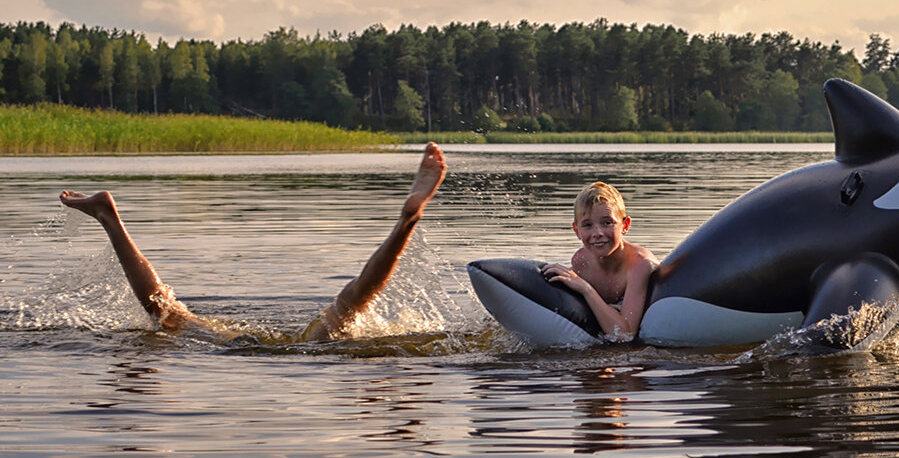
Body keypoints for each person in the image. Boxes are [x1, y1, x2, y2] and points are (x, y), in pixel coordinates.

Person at [58, 142, 447, 341]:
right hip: (306, 348)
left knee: (167, 314)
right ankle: (406, 224)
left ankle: (110, 220)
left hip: (238, 346)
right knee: (355, 300)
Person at [541, 181, 658, 342]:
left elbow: (624, 335)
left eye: (607, 223)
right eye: (588, 225)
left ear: (625, 225)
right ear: (577, 231)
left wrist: (586, 289)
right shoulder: (581, 261)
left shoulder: (640, 265)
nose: (598, 233)